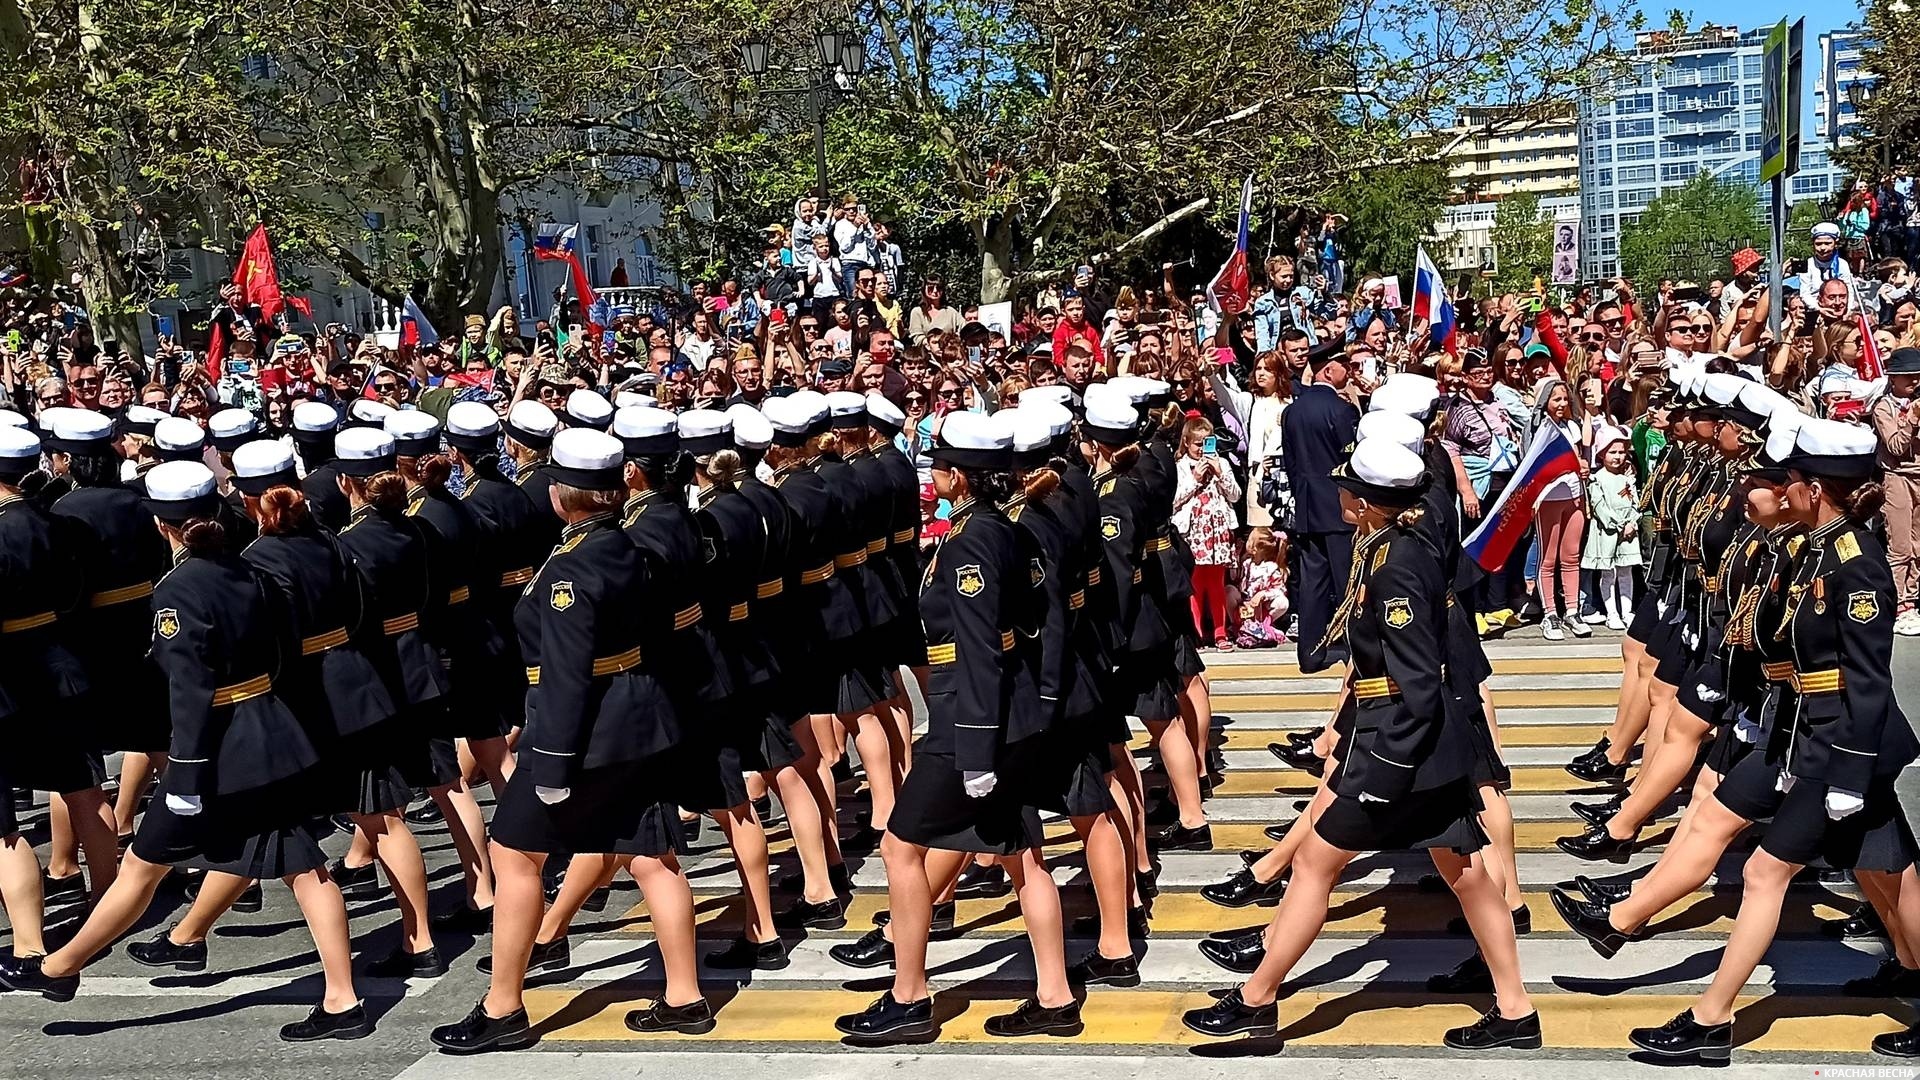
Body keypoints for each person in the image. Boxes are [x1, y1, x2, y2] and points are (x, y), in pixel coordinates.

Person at [1180, 439, 1540, 1052]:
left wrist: (1386, 766)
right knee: (1470, 874)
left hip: (1404, 748)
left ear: (1368, 503)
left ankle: (1257, 998)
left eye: (1348, 487)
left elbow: (1419, 684)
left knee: (1315, 865)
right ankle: (1515, 1010)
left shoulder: (1396, 563)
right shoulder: (1390, 548)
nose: (1339, 493)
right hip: (1411, 743)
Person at [0, 461, 366, 1042]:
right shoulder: (250, 570)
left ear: (161, 524)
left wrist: (189, 774)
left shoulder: (177, 592)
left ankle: (59, 966)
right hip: (271, 736)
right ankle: (343, 999)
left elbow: (191, 693)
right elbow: (280, 653)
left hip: (216, 750)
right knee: (305, 868)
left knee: (142, 867)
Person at [1626, 416, 1920, 1063]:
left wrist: (1844, 774)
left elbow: (1866, 685)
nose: (1781, 487)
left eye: (1791, 479)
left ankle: (1711, 1019)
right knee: (1887, 872)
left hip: (1845, 746)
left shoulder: (1856, 564)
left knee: (1766, 871)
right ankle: (1910, 967)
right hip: (1813, 738)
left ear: (1817, 489)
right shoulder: (1817, 547)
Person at [430, 427, 709, 1053]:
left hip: (584, 734)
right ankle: (685, 996)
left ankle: (503, 1007)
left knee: (514, 854)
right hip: (641, 722)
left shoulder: (573, 569)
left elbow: (565, 674)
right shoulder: (633, 546)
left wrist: (550, 761)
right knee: (649, 857)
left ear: (562, 494)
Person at [832, 411, 1074, 1040]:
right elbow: (1033, 625)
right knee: (1024, 857)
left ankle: (909, 997)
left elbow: (977, 648)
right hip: (1011, 714)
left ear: (960, 477)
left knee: (899, 845)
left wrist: (973, 752)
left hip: (974, 719)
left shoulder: (971, 539)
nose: (933, 474)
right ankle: (1054, 995)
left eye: (939, 465)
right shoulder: (1007, 527)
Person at [323, 425, 449, 978]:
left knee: (385, 814)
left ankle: (418, 939)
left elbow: (350, 621)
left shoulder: (347, 544)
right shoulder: (416, 530)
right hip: (417, 667)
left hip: (374, 679)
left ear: (346, 481)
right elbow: (432, 597)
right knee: (393, 806)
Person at [0, 424, 91, 972]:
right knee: (82, 788)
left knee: (4, 826)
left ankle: (29, 945)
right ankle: (110, 899)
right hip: (57, 662)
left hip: (10, 678)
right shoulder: (56, 520)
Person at [1280, 342, 1359, 670]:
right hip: (1339, 507)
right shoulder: (1341, 410)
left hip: (1308, 507)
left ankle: (1310, 653)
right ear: (1329, 369)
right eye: (1345, 366)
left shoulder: (1292, 411)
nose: (1350, 372)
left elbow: (1291, 462)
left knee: (1313, 583)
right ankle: (1355, 648)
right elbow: (1352, 459)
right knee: (1346, 581)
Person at [1173, 414, 1241, 647]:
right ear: (1186, 443)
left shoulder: (1221, 463)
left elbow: (1235, 495)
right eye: (1197, 444)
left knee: (1216, 582)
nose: (1202, 449)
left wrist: (1220, 474)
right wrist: (1194, 478)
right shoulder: (1181, 467)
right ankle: (1197, 632)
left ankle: (1221, 631)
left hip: (1217, 529)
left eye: (1207, 443)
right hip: (1194, 530)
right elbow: (1173, 499)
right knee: (1195, 581)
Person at [1582, 425, 1643, 631]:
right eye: (1612, 452)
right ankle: (1612, 613)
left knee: (1626, 573)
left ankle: (1627, 611)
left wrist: (1632, 521)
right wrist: (1618, 524)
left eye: (1621, 452)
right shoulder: (1597, 479)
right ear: (1602, 453)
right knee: (1608, 574)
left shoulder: (1627, 477)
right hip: (1607, 534)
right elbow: (1600, 507)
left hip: (1628, 532)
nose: (1618, 457)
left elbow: (1636, 502)